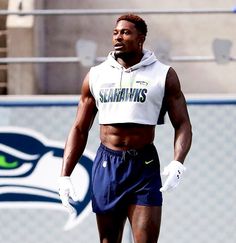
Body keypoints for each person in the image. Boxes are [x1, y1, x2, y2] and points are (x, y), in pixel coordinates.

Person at [58, 14, 192, 243]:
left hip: (144, 165)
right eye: (115, 32)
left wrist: (178, 162)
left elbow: (183, 124)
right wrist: (64, 175)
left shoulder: (163, 74)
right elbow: (80, 128)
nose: (118, 37)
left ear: (141, 39)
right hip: (107, 164)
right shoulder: (97, 74)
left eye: (126, 32)